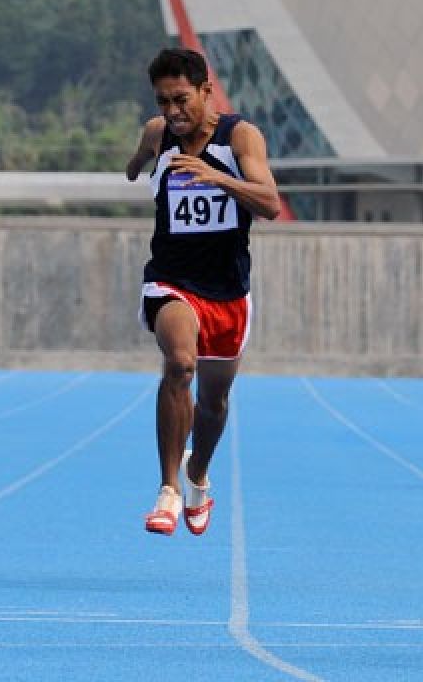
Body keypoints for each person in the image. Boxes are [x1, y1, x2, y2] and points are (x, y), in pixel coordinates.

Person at [126, 48, 280, 536]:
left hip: (227, 291)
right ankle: (169, 489)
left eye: (181, 100)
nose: (171, 112)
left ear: (205, 90)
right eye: (162, 101)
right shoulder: (158, 133)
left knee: (213, 405)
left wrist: (218, 177)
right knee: (180, 364)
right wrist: (138, 165)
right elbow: (136, 165)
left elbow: (271, 203)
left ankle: (197, 475)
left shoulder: (240, 136)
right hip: (171, 279)